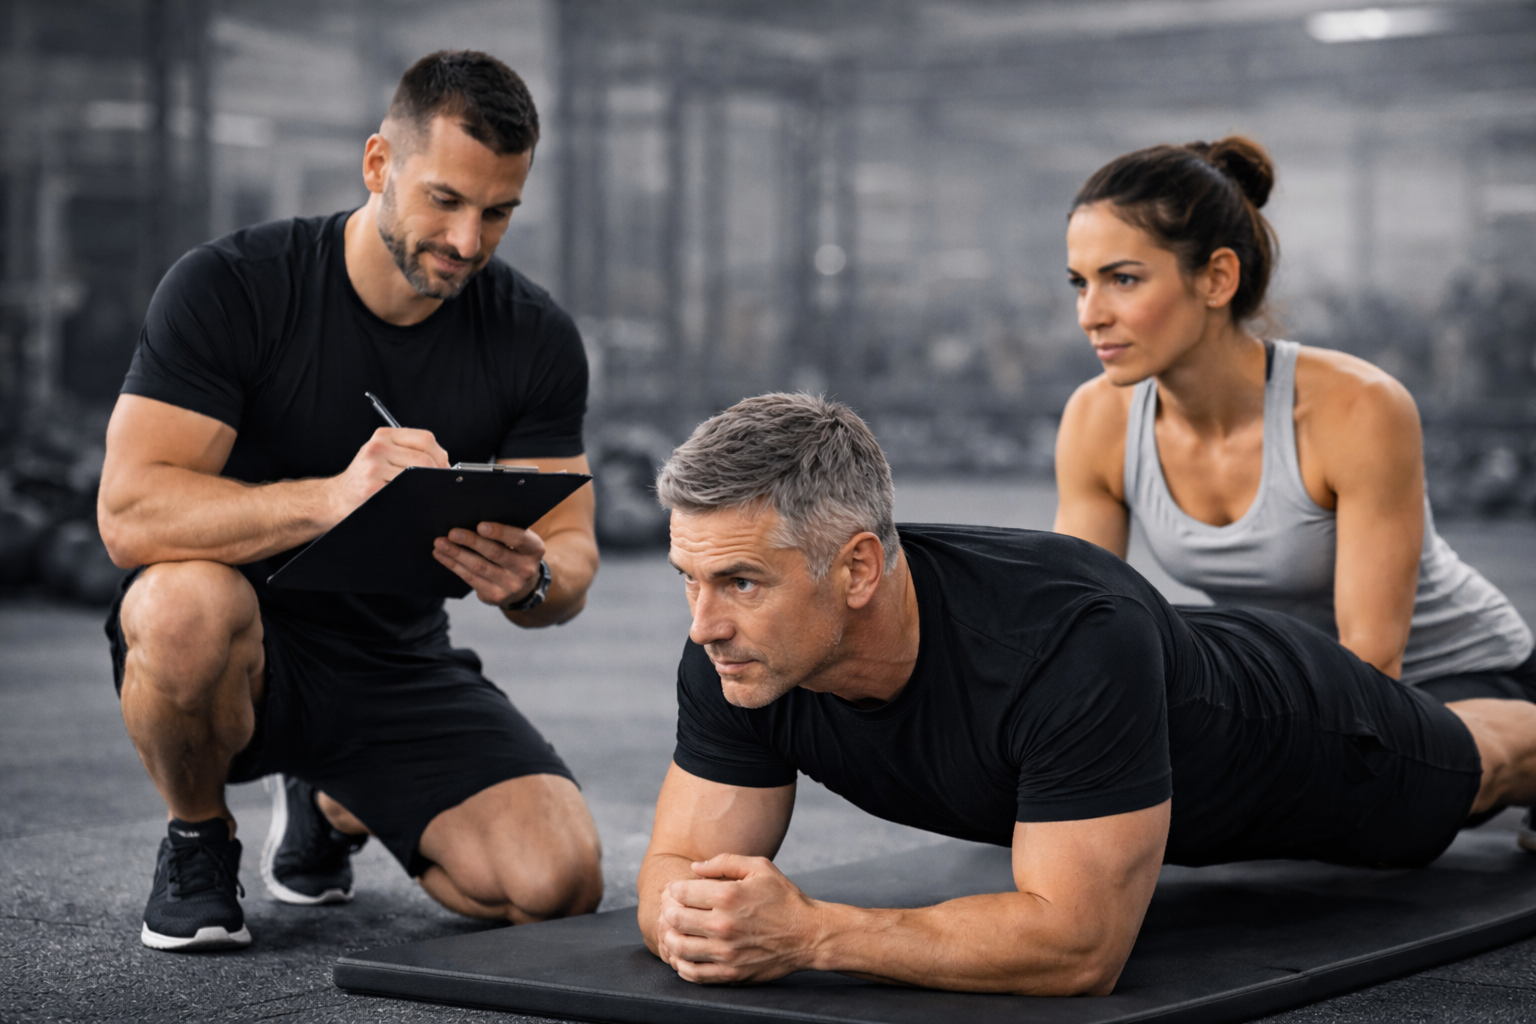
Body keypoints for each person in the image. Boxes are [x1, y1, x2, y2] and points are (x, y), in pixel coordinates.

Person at [636, 392, 1536, 996]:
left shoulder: (1062, 642)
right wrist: (699, 920)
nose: (703, 621)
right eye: (690, 579)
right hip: (1147, 682)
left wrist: (810, 934)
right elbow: (671, 874)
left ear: (859, 568)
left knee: (1477, 769)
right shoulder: (738, 651)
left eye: (742, 582)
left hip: (1290, 723)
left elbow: (1080, 947)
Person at [97, 51, 603, 952]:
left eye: (497, 213)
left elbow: (571, 547)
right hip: (242, 646)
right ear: (379, 165)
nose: (467, 241)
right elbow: (130, 514)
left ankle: (332, 799)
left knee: (556, 884)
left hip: (397, 663)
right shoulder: (233, 288)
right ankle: (198, 837)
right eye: (445, 201)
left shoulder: (533, 337)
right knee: (181, 604)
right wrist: (333, 500)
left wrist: (535, 581)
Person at [1052, 136, 1533, 704]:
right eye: (1080, 283)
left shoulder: (1359, 407)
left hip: (1461, 681)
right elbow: (1076, 626)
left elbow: (1372, 665)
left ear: (1216, 279)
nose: (1090, 315)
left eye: (1123, 279)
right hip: (1300, 688)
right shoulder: (1097, 417)